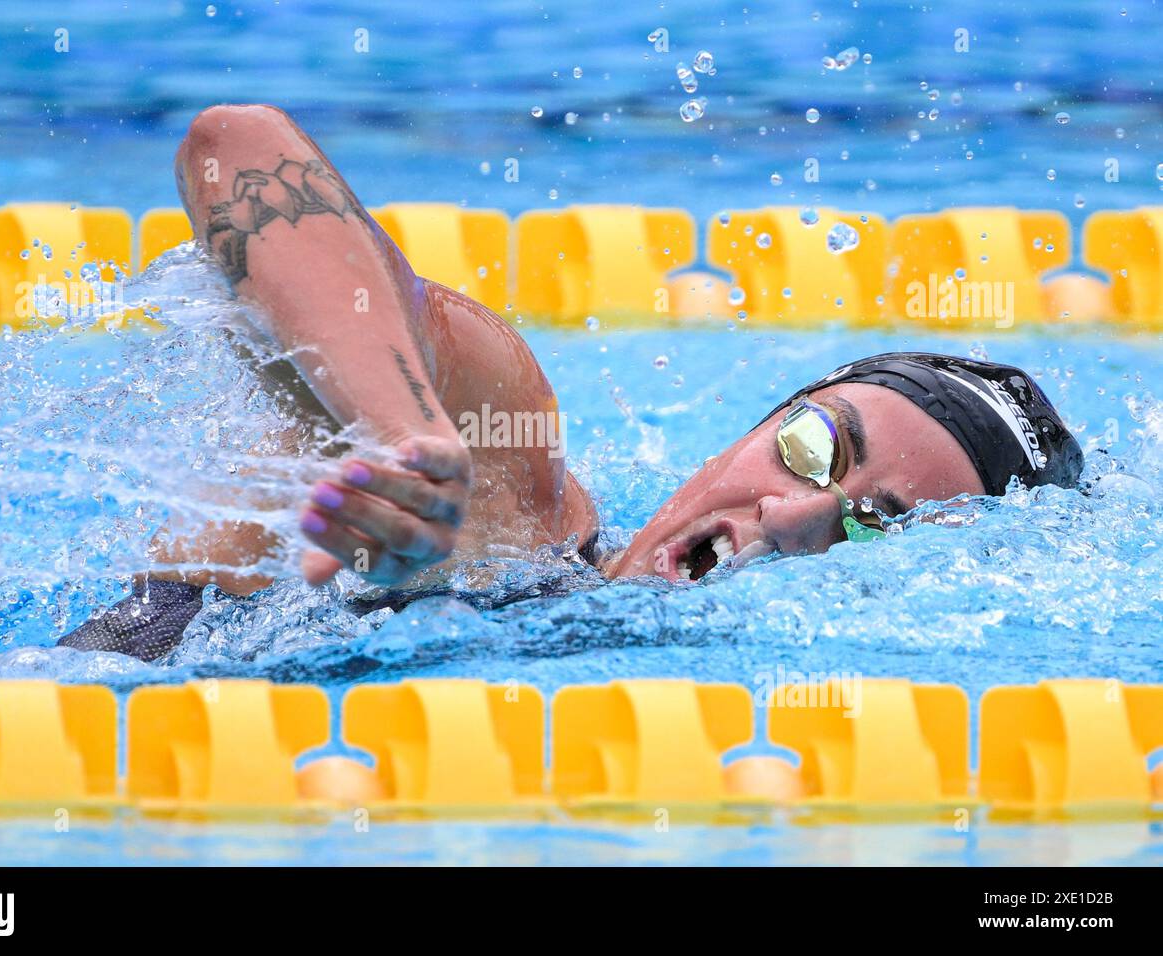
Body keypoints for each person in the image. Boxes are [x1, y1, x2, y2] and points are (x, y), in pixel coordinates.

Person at [58, 104, 1083, 662]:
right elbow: (234, 147)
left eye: (876, 528)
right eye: (818, 449)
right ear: (758, 424)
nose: (802, 512)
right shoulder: (514, 481)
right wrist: (406, 442)